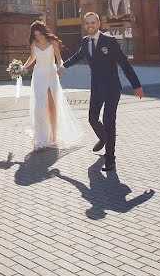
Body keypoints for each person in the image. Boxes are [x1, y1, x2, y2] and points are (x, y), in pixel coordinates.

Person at [59, 12, 144, 172]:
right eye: (87, 23)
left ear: (98, 24)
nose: (90, 25)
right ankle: (103, 138)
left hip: (112, 87)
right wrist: (63, 67)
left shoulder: (109, 41)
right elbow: (77, 56)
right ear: (85, 26)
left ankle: (110, 159)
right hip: (96, 87)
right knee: (92, 118)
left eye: (93, 22)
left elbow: (124, 63)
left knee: (108, 121)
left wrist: (136, 85)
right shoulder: (85, 42)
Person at [20, 20, 82, 151]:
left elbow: (59, 58)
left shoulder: (53, 42)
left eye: (40, 34)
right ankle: (41, 137)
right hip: (38, 75)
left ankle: (54, 135)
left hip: (51, 74)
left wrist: (61, 65)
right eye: (36, 35)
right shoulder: (34, 43)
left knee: (52, 105)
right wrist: (22, 67)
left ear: (43, 31)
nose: (38, 37)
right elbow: (32, 57)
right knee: (40, 106)